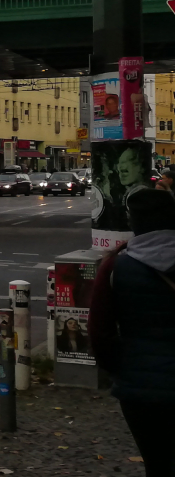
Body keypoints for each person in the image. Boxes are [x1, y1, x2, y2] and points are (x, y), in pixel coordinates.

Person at [95, 187, 175, 473]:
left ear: (134, 222)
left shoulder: (117, 266)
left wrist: (122, 368)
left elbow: (99, 334)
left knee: (157, 462)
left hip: (140, 388)